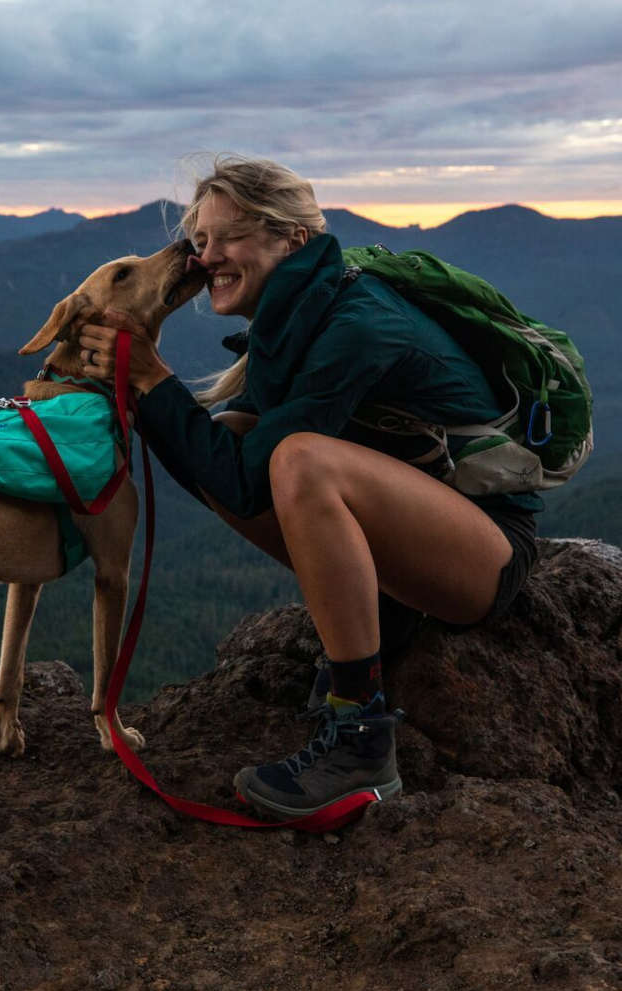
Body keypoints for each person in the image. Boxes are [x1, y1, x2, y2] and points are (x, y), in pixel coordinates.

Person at [77, 155, 539, 824]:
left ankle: (360, 744)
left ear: (291, 238)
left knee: (297, 462)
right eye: (200, 242)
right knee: (236, 429)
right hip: (424, 535)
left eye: (227, 236)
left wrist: (152, 379)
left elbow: (250, 480)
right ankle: (385, 619)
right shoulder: (294, 316)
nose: (205, 259)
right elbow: (234, 476)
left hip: (486, 554)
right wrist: (138, 390)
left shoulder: (355, 324)